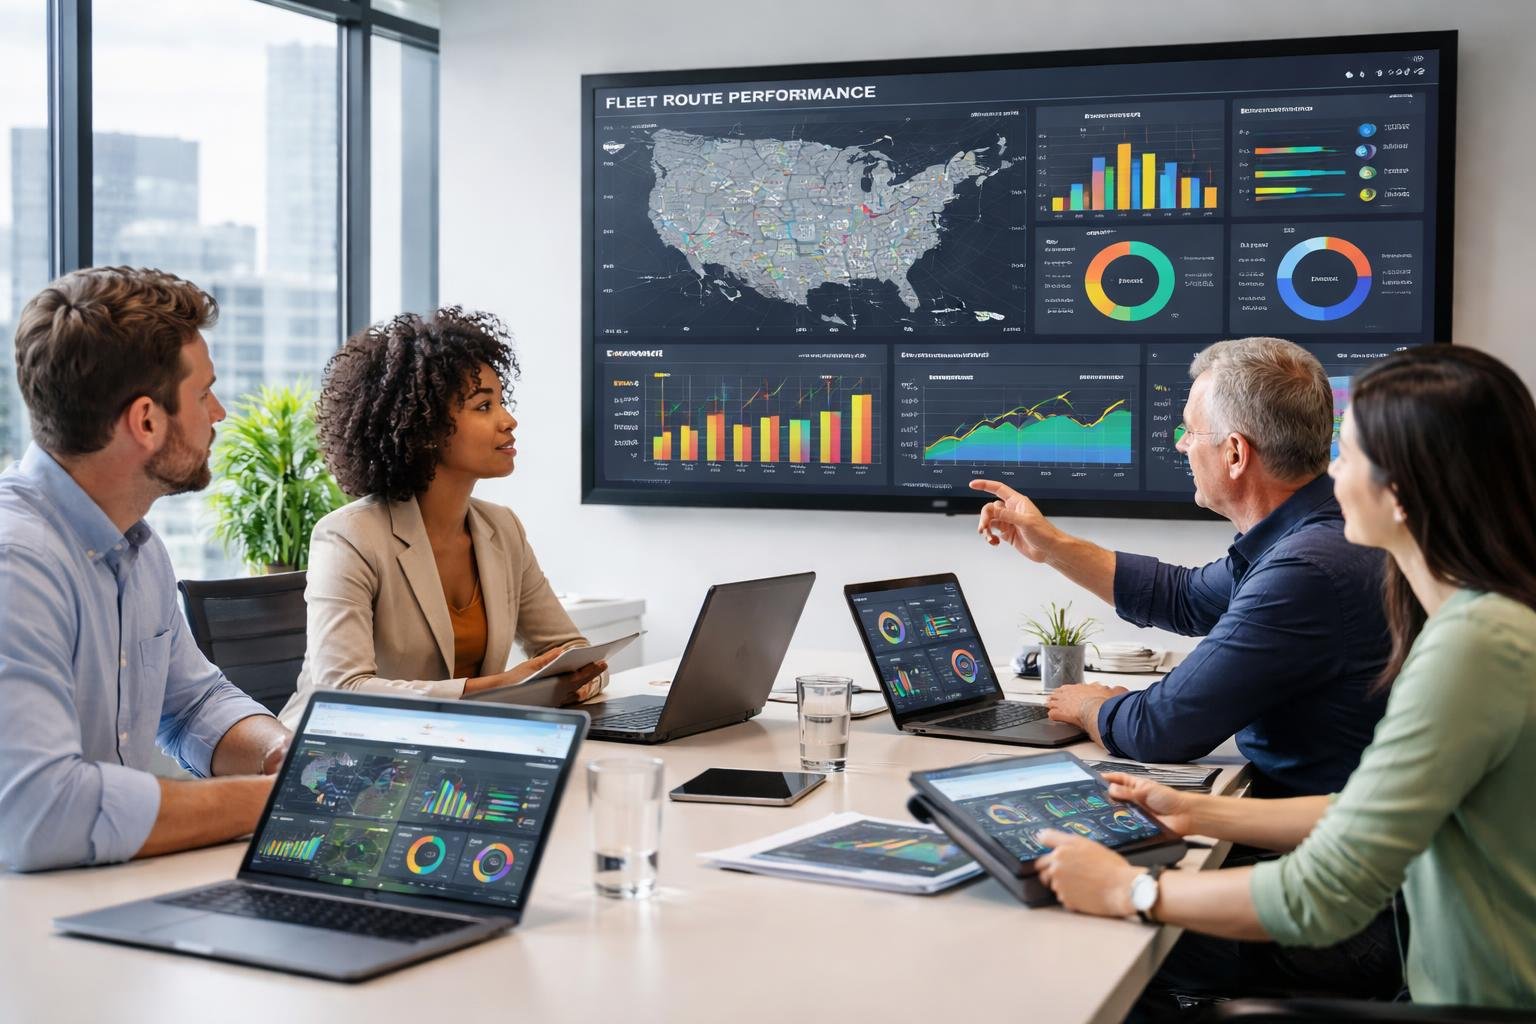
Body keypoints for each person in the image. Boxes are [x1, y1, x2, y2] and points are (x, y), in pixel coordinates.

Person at [1036, 345, 1536, 1012]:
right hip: (1434, 954)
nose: (1331, 472)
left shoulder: (1474, 645)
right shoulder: (1484, 620)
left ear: (1405, 492)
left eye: (1349, 456)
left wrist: (1130, 891)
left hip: (1463, 999)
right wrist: (1198, 810)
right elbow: (1369, 814)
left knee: (1086, 937)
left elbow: (1327, 891)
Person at [972, 337, 1389, 800]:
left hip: (1308, 841)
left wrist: (1092, 705)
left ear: (1234, 453)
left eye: (1191, 430)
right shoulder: (1318, 532)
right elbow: (1184, 597)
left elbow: (1162, 728)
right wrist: (1051, 546)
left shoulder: (1304, 570)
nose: (1181, 444)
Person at [0, 267, 291, 872]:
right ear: (147, 421)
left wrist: (280, 755)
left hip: (100, 898)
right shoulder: (16, 564)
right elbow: (41, 811)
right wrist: (275, 802)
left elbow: (191, 705)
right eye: (203, 393)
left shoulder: (136, 547)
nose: (220, 413)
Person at [278, 308, 605, 728]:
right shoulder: (349, 536)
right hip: (336, 758)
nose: (509, 421)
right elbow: (343, 689)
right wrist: (496, 688)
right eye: (484, 406)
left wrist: (582, 681)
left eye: (502, 403)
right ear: (425, 426)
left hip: (451, 749)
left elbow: (569, 648)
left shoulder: (502, 529)